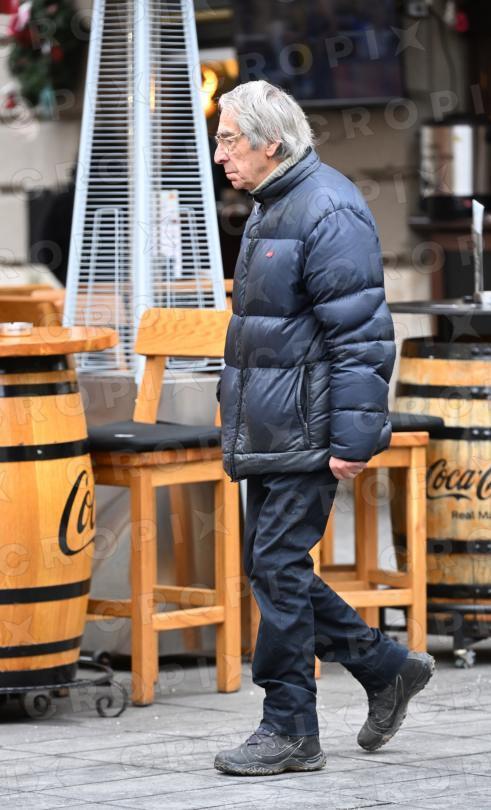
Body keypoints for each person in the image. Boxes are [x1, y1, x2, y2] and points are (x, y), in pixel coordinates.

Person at [213, 80, 435, 777]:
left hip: (307, 429)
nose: (220, 154)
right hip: (270, 427)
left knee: (276, 568)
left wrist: (352, 440)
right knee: (272, 566)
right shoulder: (271, 204)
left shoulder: (328, 209)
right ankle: (385, 666)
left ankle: (289, 729)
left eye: (229, 140)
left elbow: (362, 339)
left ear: (271, 143)